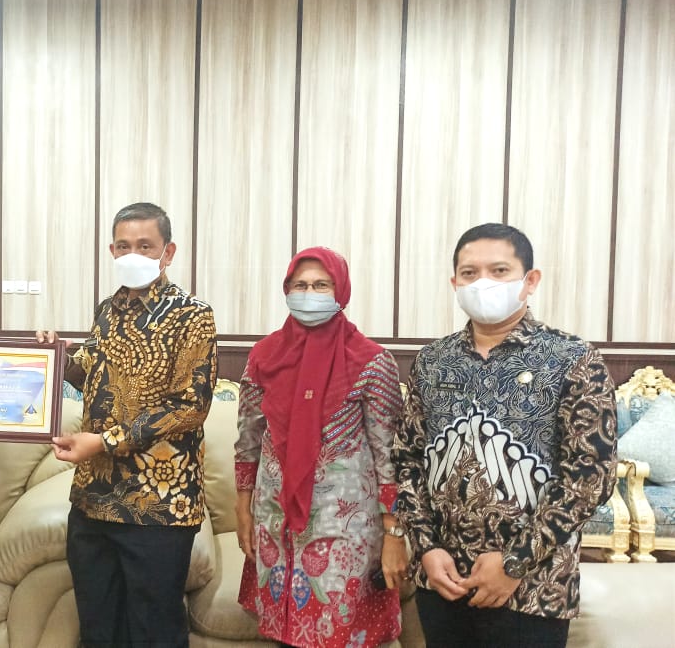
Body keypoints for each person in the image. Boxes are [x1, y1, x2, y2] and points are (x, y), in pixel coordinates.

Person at [392, 223, 617, 648]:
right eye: (470, 273)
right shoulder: (433, 361)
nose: (483, 283)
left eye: (499, 271)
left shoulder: (572, 359)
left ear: (530, 280)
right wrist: (425, 547)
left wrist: (515, 562)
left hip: (533, 587)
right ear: (455, 283)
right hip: (442, 579)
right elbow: (407, 460)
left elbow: (591, 477)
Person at [38, 202, 217, 647]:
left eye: (145, 245)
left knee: (155, 633)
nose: (132, 254)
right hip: (93, 500)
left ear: (168, 252)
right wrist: (53, 357)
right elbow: (88, 375)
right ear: (112, 251)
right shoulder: (107, 310)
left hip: (158, 506)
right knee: (98, 631)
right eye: (123, 246)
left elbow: (190, 406)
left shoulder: (192, 315)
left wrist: (103, 441)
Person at [234, 247, 407, 647]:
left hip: (344, 525)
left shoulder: (372, 361)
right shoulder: (264, 356)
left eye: (321, 285)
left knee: (338, 632)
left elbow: (390, 457)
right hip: (274, 520)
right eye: (300, 285)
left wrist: (394, 532)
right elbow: (247, 439)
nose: (309, 294)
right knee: (285, 633)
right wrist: (242, 507)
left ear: (340, 290)